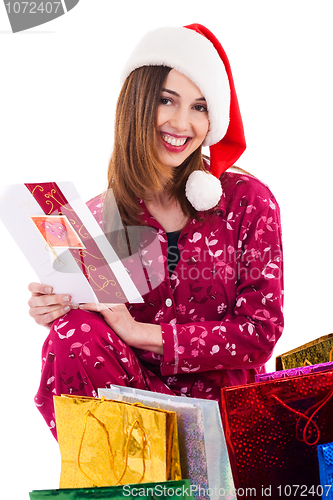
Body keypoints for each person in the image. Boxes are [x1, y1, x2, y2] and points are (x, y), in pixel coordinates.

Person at [28, 24, 284, 439]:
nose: (182, 123)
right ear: (137, 103)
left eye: (200, 107)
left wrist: (140, 332)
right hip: (138, 421)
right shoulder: (93, 217)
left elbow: (260, 332)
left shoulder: (246, 201)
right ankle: (112, 478)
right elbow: (86, 343)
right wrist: (59, 308)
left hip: (228, 420)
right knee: (72, 331)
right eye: (167, 100)